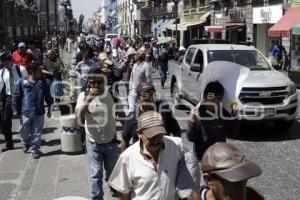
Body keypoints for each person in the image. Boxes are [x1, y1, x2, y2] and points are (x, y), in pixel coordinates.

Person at [109, 111, 195, 200]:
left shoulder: (177, 146)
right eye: (151, 136)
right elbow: (124, 194)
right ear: (139, 133)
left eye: (159, 134)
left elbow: (189, 181)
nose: (156, 140)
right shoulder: (128, 157)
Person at [75, 68, 126, 200]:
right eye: (92, 82)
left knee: (113, 172)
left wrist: (128, 133)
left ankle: (113, 186)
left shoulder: (112, 95)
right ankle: (97, 198)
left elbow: (121, 115)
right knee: (95, 174)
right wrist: (88, 100)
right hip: (93, 143)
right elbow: (79, 117)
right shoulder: (83, 95)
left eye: (99, 82)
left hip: (111, 142)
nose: (96, 86)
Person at [186, 81, 240, 160]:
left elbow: (232, 133)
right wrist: (193, 121)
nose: (215, 102)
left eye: (218, 99)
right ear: (204, 97)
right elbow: (191, 138)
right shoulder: (198, 113)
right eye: (212, 98)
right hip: (202, 158)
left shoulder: (223, 112)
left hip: (220, 156)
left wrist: (235, 116)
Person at [120, 84, 181, 152]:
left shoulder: (165, 112)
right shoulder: (132, 117)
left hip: (164, 155)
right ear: (138, 98)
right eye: (145, 95)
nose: (149, 97)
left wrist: (175, 151)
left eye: (152, 94)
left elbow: (176, 132)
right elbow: (125, 141)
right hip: (141, 158)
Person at [12, 62, 53, 159]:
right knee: (23, 130)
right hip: (26, 112)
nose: (41, 72)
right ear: (32, 71)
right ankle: (26, 142)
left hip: (39, 112)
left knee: (37, 132)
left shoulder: (43, 82)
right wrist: (14, 109)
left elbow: (48, 96)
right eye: (39, 70)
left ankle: (35, 149)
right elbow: (16, 96)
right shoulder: (22, 82)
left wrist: (50, 109)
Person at [0, 53, 25, 152]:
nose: (6, 66)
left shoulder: (21, 69)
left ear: (11, 60)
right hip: (9, 98)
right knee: (5, 121)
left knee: (24, 122)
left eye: (7, 63)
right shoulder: (2, 72)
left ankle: (26, 142)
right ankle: (9, 143)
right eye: (4, 64)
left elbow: (27, 83)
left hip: (21, 98)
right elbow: (0, 86)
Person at [128, 47, 152, 112]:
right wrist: (130, 89)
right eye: (138, 53)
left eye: (141, 53)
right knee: (132, 110)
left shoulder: (146, 66)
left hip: (141, 93)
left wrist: (143, 92)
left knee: (141, 111)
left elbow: (148, 80)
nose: (137, 56)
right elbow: (131, 78)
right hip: (133, 92)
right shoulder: (135, 65)